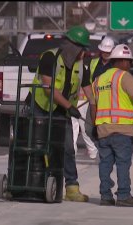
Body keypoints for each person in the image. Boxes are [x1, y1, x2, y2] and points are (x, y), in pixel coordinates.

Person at [25, 26, 95, 202]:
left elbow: (90, 95)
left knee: (67, 149)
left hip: (61, 110)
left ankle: (72, 188)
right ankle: (33, 182)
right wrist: (70, 107)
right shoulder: (50, 57)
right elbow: (49, 89)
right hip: (40, 106)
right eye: (82, 48)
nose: (84, 52)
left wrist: (96, 116)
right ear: (73, 46)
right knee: (38, 146)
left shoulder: (82, 67)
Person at [89, 44, 133, 207]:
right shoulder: (124, 77)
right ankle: (124, 195)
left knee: (105, 163)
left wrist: (95, 126)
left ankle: (105, 196)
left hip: (103, 129)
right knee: (123, 163)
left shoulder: (99, 80)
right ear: (122, 61)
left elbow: (93, 106)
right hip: (122, 129)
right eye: (128, 61)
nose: (130, 65)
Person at [71, 36, 115, 159]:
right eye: (104, 51)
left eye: (108, 51)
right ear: (101, 50)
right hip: (93, 101)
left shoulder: (115, 64)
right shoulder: (93, 62)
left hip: (109, 102)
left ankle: (104, 150)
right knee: (88, 127)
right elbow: (87, 81)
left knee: (106, 127)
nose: (106, 53)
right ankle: (93, 151)